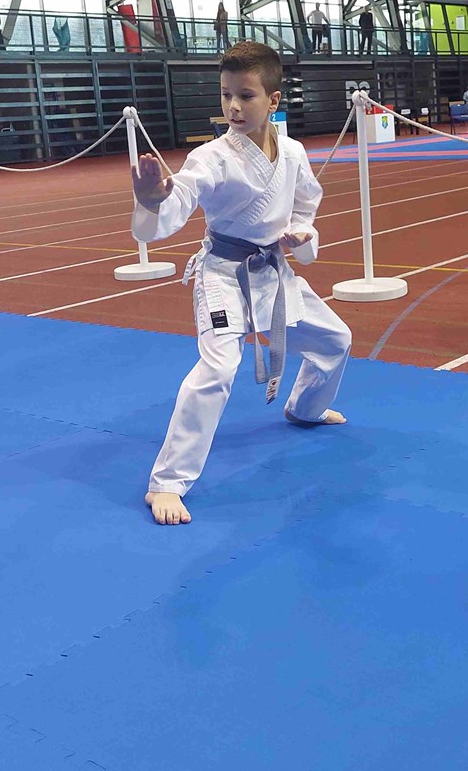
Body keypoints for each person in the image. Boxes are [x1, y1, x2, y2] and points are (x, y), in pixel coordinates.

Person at [131, 41, 351, 526]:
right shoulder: (211, 157)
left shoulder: (292, 152)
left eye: (245, 96)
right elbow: (181, 197)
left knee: (336, 340)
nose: (232, 106)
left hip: (273, 272)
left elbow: (306, 202)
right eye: (226, 94)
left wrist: (302, 233)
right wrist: (152, 200)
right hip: (223, 277)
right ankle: (167, 482)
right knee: (218, 368)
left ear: (273, 100)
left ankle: (306, 408)